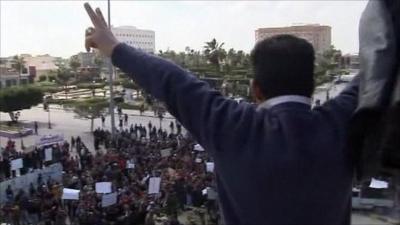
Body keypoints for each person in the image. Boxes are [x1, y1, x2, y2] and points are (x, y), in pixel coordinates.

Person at [84, 4, 359, 224]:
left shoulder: (233, 126)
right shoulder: (341, 123)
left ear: (255, 89)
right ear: (312, 87)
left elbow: (173, 81)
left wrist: (114, 48)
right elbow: (381, 70)